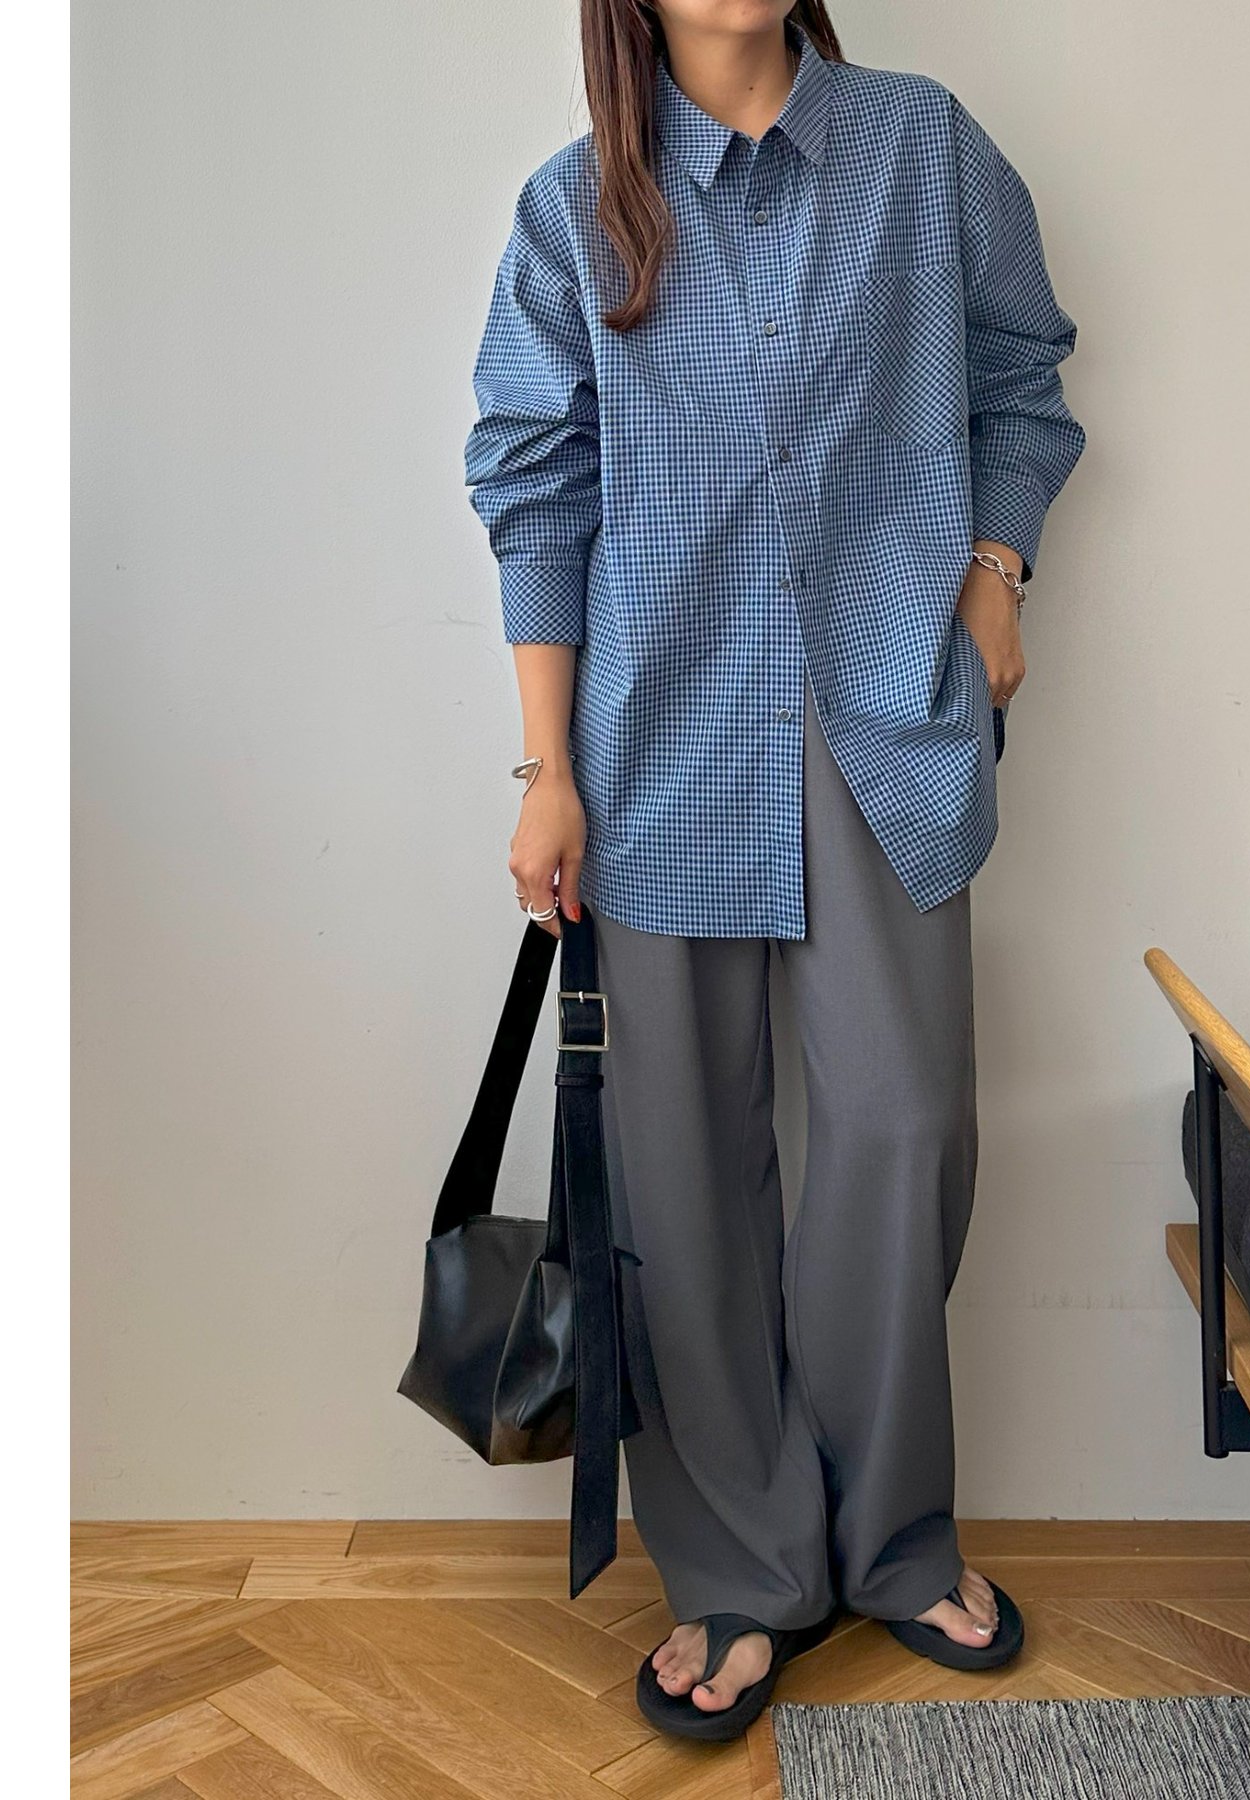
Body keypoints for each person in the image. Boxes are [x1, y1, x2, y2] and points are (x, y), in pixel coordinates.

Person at [464, 0, 1084, 1742]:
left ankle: (892, 1537)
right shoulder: (574, 205)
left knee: (905, 1127)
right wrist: (548, 769)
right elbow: (535, 488)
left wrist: (995, 574)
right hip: (657, 741)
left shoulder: (921, 146)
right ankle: (741, 1568)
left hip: (884, 714)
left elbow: (1025, 377)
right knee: (679, 1173)